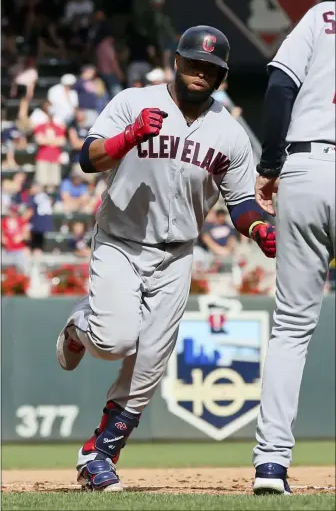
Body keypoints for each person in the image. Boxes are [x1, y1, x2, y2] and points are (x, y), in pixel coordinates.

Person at [56, 25, 276, 492]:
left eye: (211, 68)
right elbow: (87, 158)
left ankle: (99, 454)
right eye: (194, 62)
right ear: (176, 61)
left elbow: (240, 203)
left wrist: (258, 228)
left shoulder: (229, 134)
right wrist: (128, 138)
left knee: (152, 359)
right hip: (119, 239)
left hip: (176, 253)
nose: (201, 72)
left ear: (222, 77)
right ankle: (78, 328)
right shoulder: (134, 102)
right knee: (114, 340)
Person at [252, 2, 335, 495]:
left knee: (291, 329)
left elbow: (281, 85)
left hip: (307, 167)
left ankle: (270, 467)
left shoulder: (324, 14)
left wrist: (269, 163)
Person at [33, 102, 67, 190]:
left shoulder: (59, 127)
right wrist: (54, 140)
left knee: (53, 185)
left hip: (55, 158)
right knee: (41, 183)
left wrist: (47, 139)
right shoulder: (40, 126)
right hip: (43, 158)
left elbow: (62, 141)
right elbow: (39, 140)